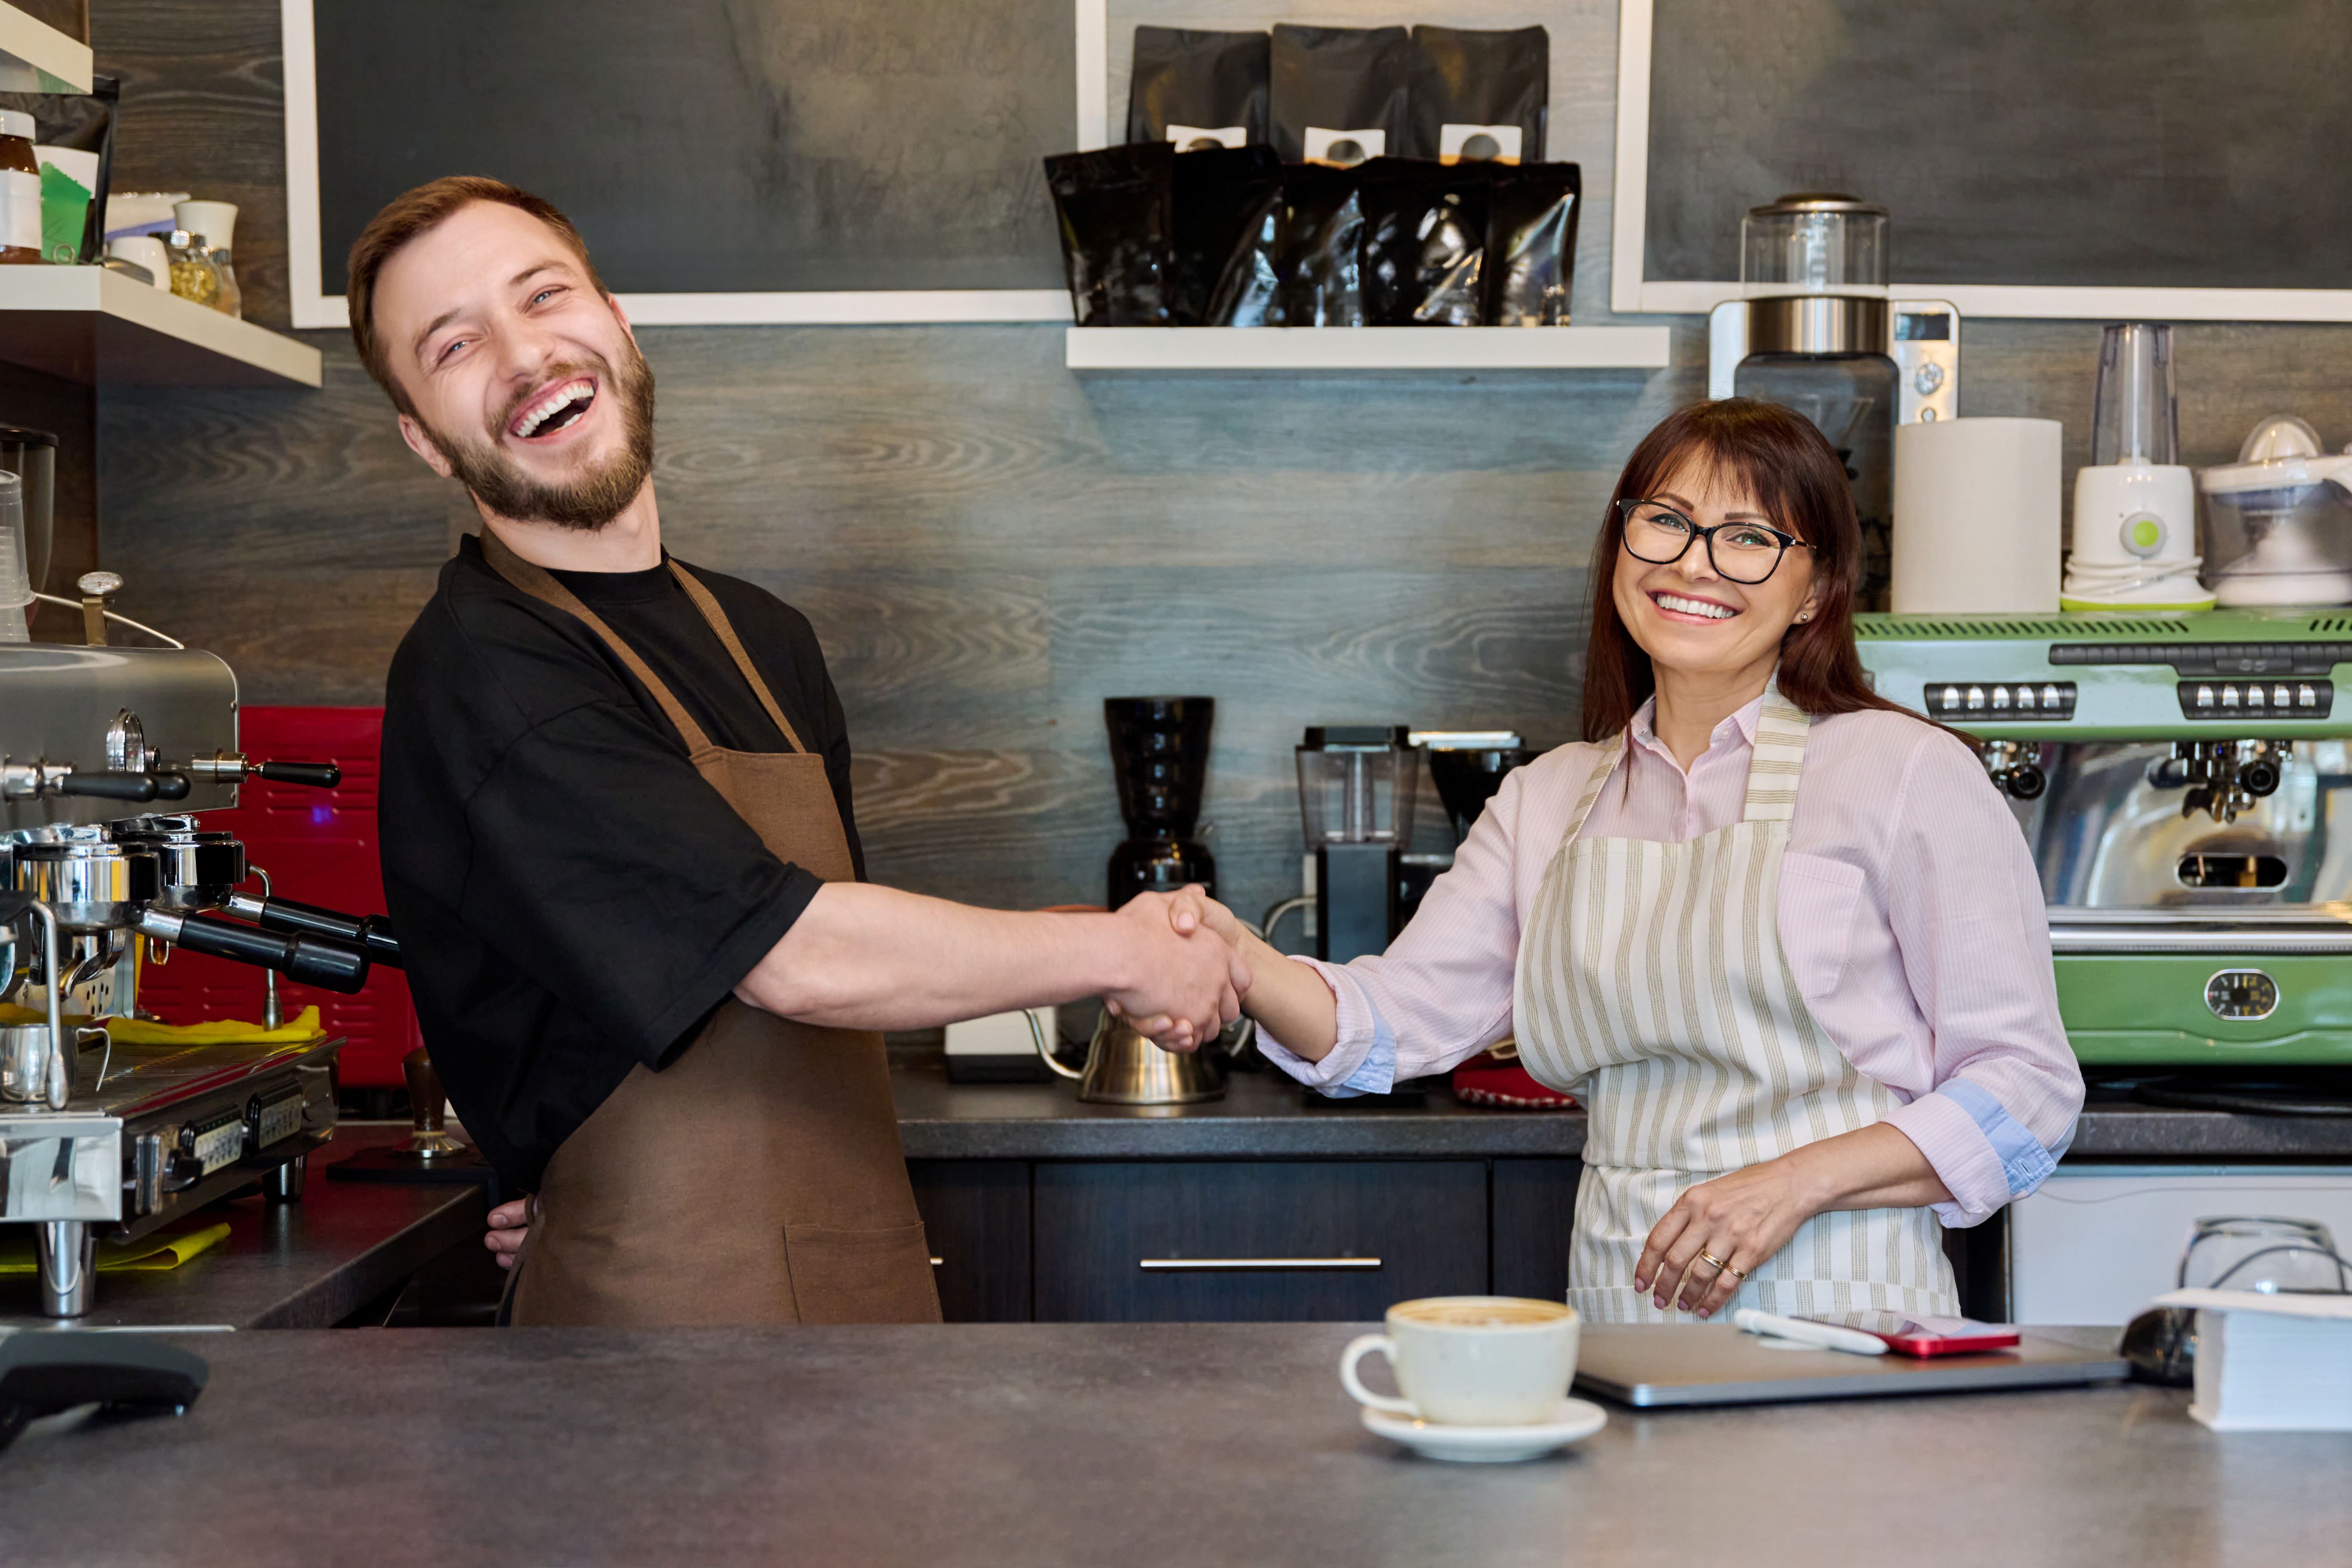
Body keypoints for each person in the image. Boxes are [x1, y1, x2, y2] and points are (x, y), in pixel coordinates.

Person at [360, 177, 1247, 1326]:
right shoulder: (483, 667)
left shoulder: (766, 639)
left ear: (617, 323)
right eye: (458, 344)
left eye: (545, 296)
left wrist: (1119, 941)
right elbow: (798, 959)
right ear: (426, 441)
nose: (527, 354)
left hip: (854, 1284)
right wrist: (1123, 957)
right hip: (655, 1342)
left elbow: (852, 954)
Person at [1176, 399, 2084, 1323]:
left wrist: (1791, 1184)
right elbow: (1389, 1021)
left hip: (1848, 1310)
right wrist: (1237, 958)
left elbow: (2027, 1092)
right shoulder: (1548, 799)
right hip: (1626, 1308)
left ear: (1814, 590)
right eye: (1665, 521)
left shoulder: (1906, 771)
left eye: (1749, 537)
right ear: (1622, 543)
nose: (1694, 562)